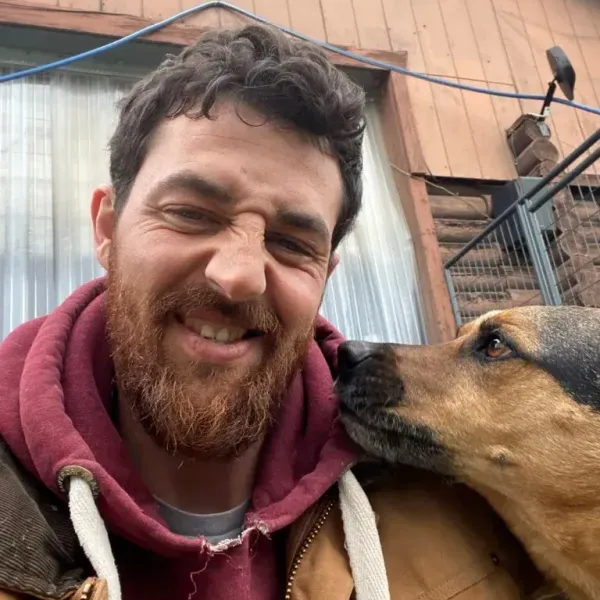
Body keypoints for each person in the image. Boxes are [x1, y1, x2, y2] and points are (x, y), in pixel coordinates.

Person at [0, 23, 549, 600]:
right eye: (191, 213)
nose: (237, 276)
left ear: (325, 277)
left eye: (291, 243)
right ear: (107, 229)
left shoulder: (458, 500)